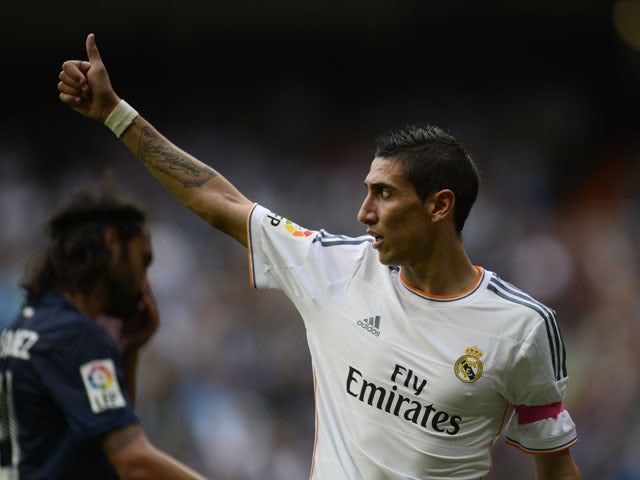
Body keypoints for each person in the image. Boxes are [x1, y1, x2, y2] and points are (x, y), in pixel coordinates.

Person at [57, 33, 582, 479]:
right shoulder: (334, 268)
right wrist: (115, 114)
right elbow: (219, 202)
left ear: (440, 205)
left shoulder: (522, 328)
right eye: (365, 190)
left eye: (383, 194)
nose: (363, 212)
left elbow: (555, 466)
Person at [0, 185, 208, 479]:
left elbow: (103, 439)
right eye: (143, 260)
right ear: (111, 242)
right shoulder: (74, 336)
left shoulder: (25, 326)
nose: (144, 282)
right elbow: (131, 461)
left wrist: (129, 352)